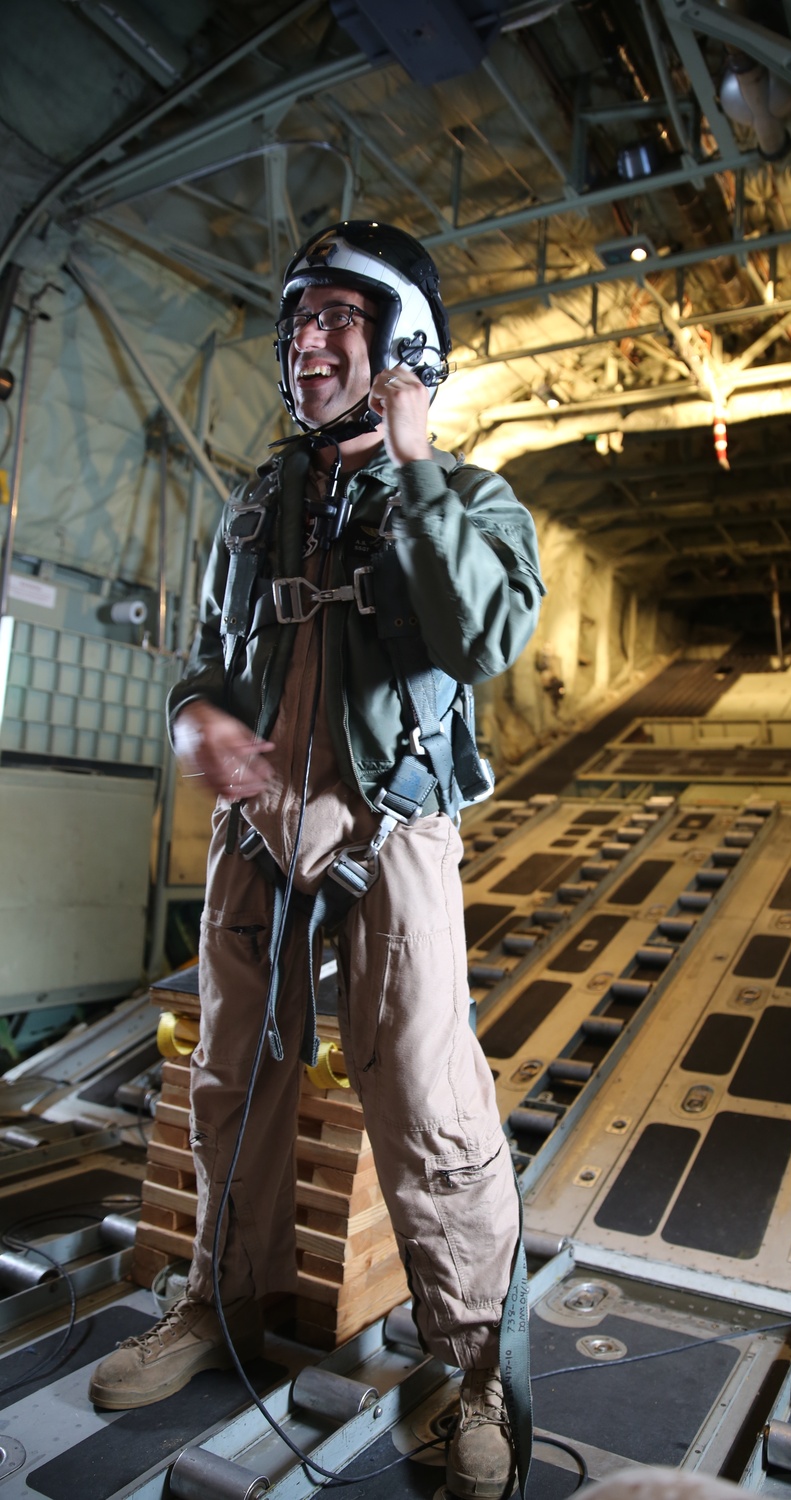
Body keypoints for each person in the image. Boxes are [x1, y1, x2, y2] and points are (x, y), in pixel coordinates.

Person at [88, 221, 544, 1500]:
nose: (307, 341)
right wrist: (198, 714)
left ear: (402, 341)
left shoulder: (469, 495)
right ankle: (215, 1304)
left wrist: (414, 478)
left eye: (339, 316)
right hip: (257, 827)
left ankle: (470, 1373)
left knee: (423, 1087)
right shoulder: (259, 502)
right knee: (232, 1074)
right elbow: (216, 649)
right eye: (297, 322)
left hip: (395, 824)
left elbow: (486, 630)